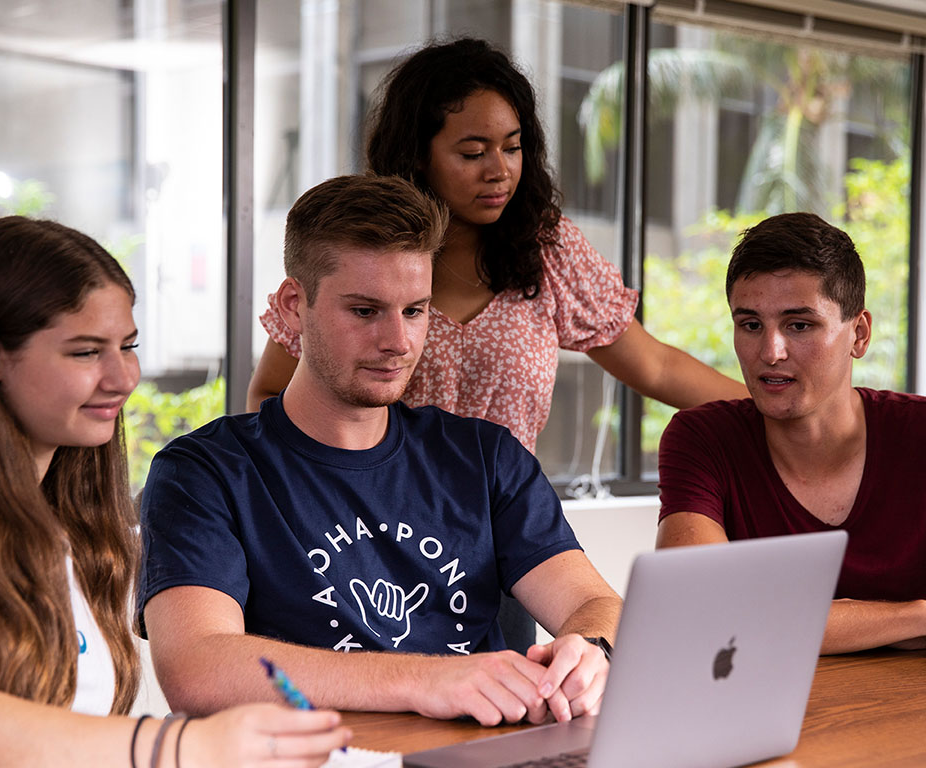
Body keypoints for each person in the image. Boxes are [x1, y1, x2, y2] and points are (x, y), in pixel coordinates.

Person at [138, 174, 623, 729]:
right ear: (295, 306)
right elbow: (197, 669)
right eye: (366, 311)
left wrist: (590, 652)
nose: (398, 341)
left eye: (415, 311)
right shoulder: (204, 473)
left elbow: (595, 605)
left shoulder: (486, 457)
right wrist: (430, 679)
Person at [0, 216, 349, 767]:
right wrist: (184, 746)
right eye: (86, 352)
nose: (123, 378)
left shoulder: (67, 505)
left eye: (128, 346)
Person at [247, 37, 748, 451]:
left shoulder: (548, 248)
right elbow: (270, 390)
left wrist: (770, 411)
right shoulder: (367, 247)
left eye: (512, 147)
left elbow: (656, 367)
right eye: (472, 153)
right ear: (418, 155)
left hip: (505, 533)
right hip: (377, 532)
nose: (499, 171)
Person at [656, 212, 926, 654]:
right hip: (760, 715)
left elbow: (732, 618)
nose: (770, 352)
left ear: (859, 334)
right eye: (750, 325)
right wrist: (916, 617)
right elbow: (695, 606)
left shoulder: (919, 433)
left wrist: (763, 618)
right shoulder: (702, 437)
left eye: (799, 325)